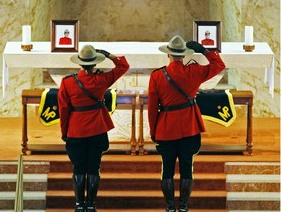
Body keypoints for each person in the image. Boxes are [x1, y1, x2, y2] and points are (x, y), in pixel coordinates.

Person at [148, 35, 225, 212]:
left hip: (166, 129)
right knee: (186, 167)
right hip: (189, 127)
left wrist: (154, 131)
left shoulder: (157, 76)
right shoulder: (194, 71)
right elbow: (219, 65)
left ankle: (169, 207)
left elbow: (152, 109)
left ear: (168, 55)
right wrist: (204, 51)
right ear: (184, 55)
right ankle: (183, 206)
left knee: (167, 169)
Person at [58, 45, 129, 212]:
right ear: (95, 63)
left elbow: (63, 110)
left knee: (78, 168)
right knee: (94, 167)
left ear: (80, 63)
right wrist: (109, 55)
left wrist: (64, 132)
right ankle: (91, 205)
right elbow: (123, 66)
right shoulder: (102, 79)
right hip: (97, 129)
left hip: (75, 130)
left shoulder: (68, 82)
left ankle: (78, 205)